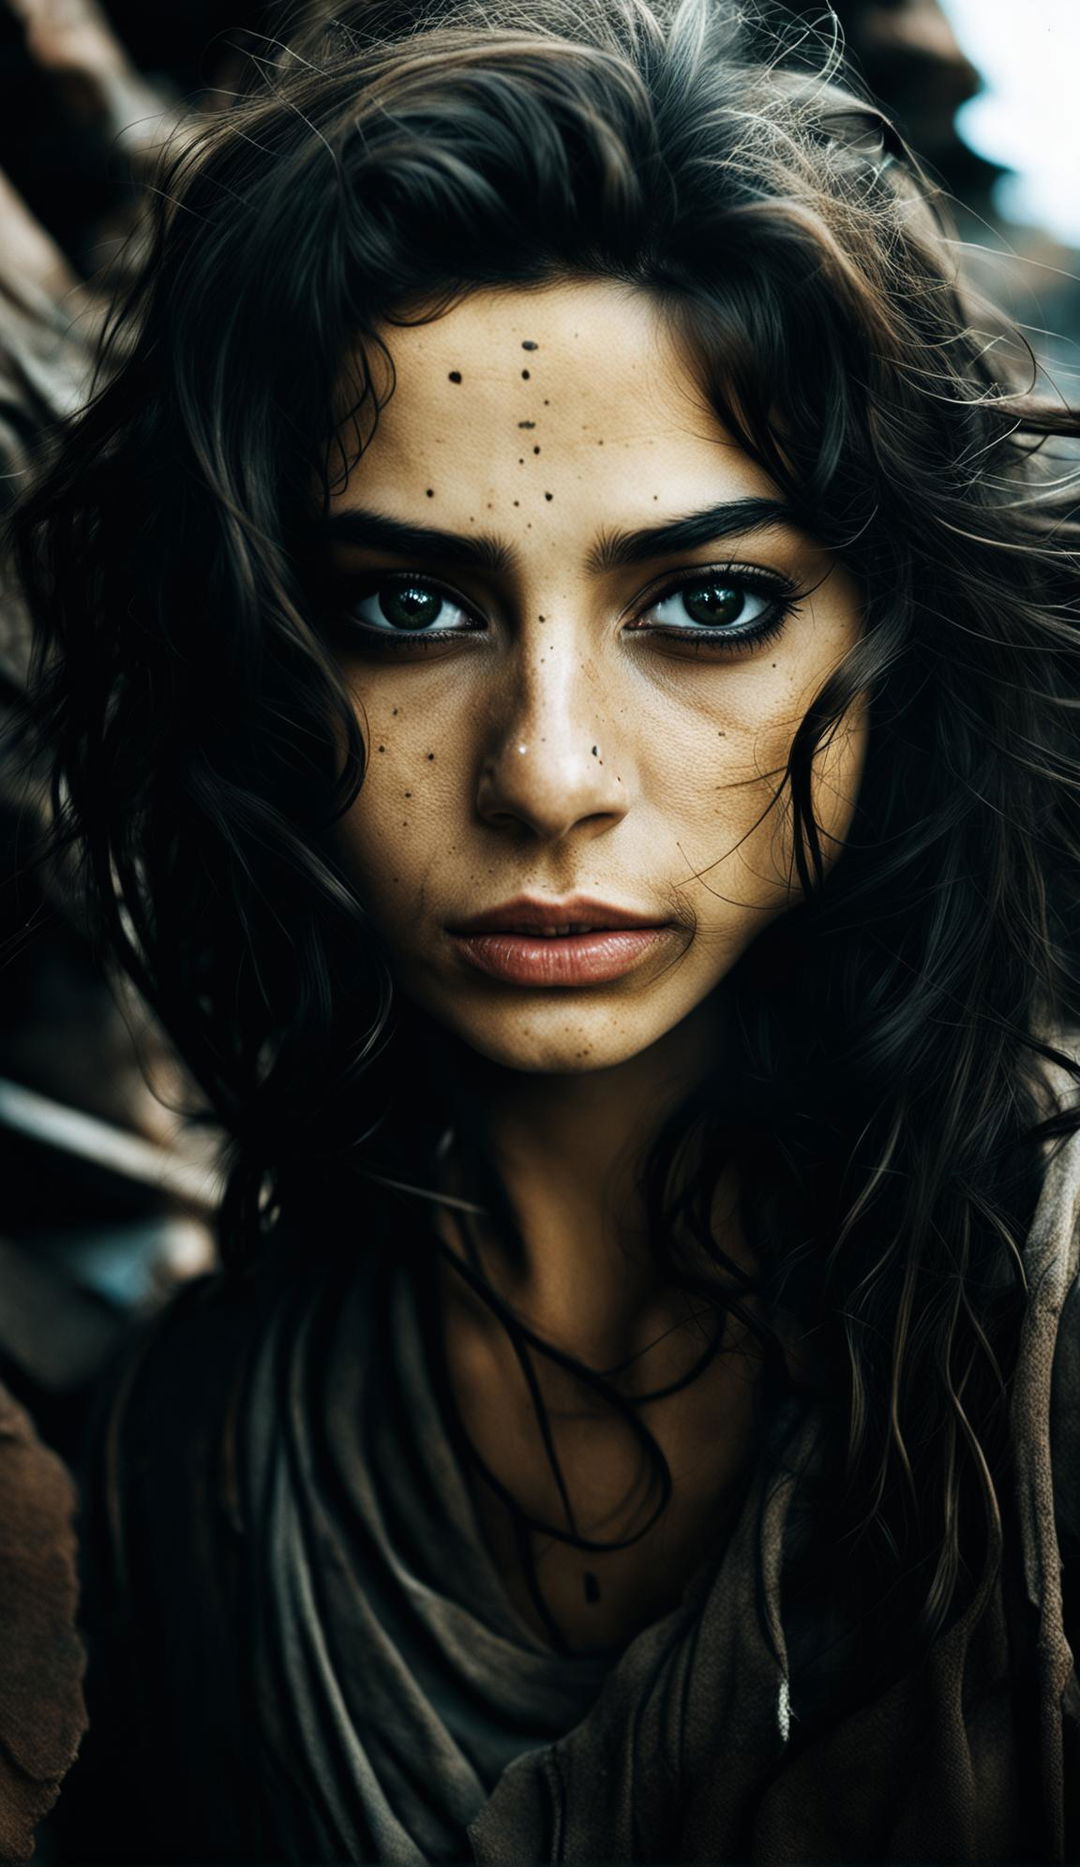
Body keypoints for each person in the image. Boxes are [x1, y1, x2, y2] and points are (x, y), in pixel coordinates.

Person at [9, 0, 1080, 1859]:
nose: (551, 771)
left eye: (714, 605)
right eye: (410, 611)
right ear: (251, 665)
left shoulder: (1045, 1340)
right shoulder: (201, 1463)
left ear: (902, 651)